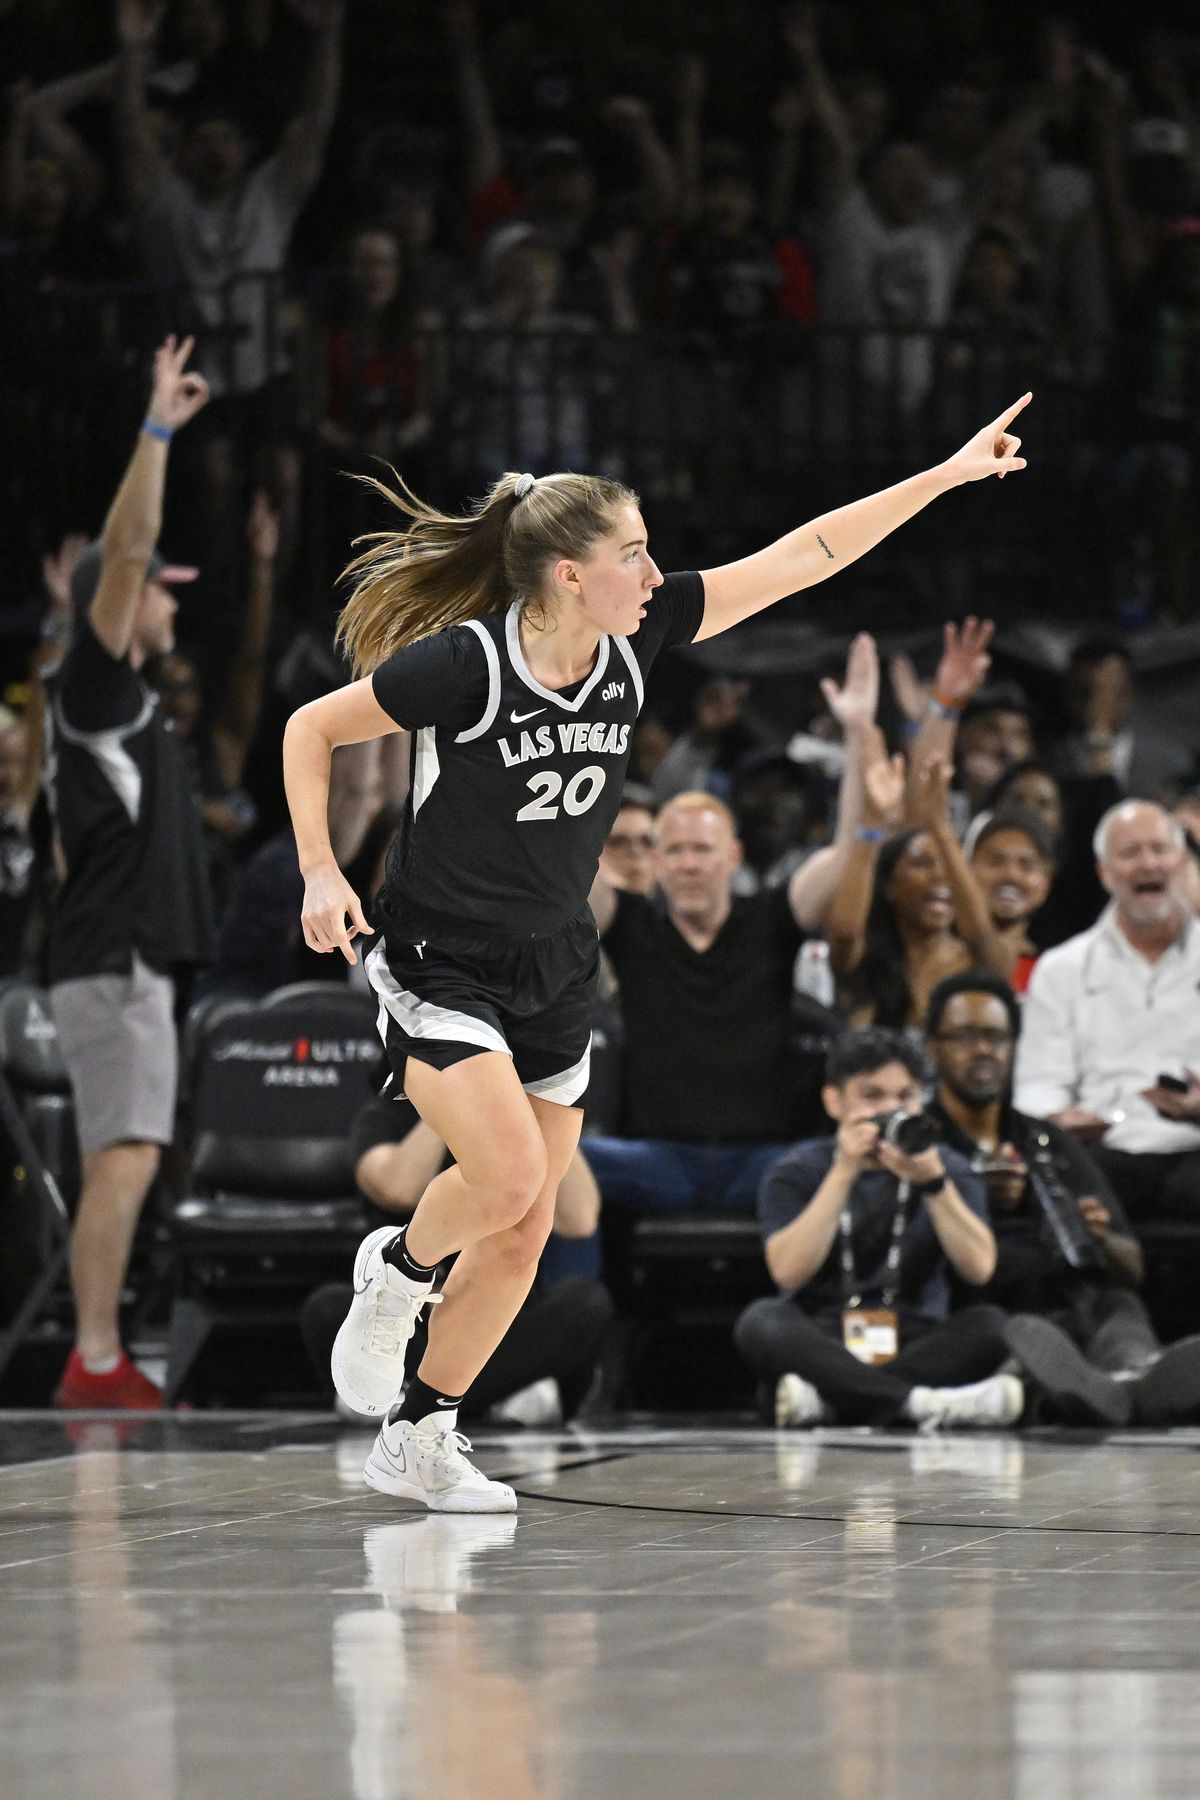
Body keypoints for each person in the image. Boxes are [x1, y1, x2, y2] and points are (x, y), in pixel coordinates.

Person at [282, 392, 1031, 1512]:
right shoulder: (466, 666)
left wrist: (944, 476)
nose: (655, 568)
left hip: (555, 964)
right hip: (442, 956)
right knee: (510, 1178)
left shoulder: (642, 638)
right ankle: (394, 1272)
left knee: (528, 1226)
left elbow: (803, 557)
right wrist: (321, 871)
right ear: (570, 575)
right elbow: (312, 729)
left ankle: (422, 1434)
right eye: (633, 552)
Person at [44, 334, 215, 1410]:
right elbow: (127, 548)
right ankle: (96, 1359)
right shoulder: (96, 685)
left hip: (128, 957)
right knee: (124, 1154)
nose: (170, 603)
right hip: (111, 958)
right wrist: (157, 428)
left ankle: (100, 1354)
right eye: (163, 592)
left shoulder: (140, 708)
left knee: (134, 1152)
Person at [580, 636, 884, 1221]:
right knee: (559, 1168)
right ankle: (574, 1312)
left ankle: (822, 1314)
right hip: (653, 1158)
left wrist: (858, 735)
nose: (689, 863)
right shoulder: (631, 921)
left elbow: (847, 852)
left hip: (763, 1162)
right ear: (659, 861)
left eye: (703, 849)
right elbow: (566, 860)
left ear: (732, 856)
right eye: (676, 851)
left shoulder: (774, 916)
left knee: (844, 1167)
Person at [925, 970, 1200, 1427]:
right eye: (965, 1037)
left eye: (996, 1037)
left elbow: (1131, 1265)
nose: (983, 1051)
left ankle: (1131, 1379)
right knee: (1016, 1333)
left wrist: (1101, 1238)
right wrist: (973, 1198)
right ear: (932, 1046)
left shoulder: (1047, 1140)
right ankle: (1103, 1394)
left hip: (1075, 1301)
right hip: (988, 1310)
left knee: (1119, 1308)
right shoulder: (923, 1144)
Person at [733, 1028, 1018, 1430]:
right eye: (873, 1096)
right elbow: (787, 1272)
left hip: (914, 1335)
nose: (891, 1110)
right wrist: (843, 1172)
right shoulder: (797, 1170)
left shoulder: (947, 1167)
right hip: (827, 1337)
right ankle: (920, 1405)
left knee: (993, 1325)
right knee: (761, 1321)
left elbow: (980, 1268)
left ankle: (834, 1403)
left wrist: (933, 1185)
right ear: (833, 1101)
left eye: (905, 1097)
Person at [300, 1093, 612, 1428]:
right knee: (327, 1308)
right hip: (410, 1324)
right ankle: (489, 1396)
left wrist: (540, 1105)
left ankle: (420, 1404)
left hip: (502, 1325)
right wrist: (455, 1095)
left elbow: (580, 1219)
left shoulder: (521, 1120)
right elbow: (398, 1189)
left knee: (586, 1302)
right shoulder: (384, 1116)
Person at [1015, 800, 1200, 1222]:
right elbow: (1038, 1086)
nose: (1147, 863)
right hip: (1106, 1153)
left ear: (1181, 862)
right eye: (1130, 853)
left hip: (1195, 1147)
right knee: (1055, 1188)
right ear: (1104, 873)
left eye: (1159, 849)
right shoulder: (1061, 969)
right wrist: (1059, 1117)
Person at [964, 807, 1054, 992]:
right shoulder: (942, 959)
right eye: (995, 861)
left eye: (1026, 865)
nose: (1011, 875)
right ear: (967, 871)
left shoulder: (1055, 973)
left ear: (1045, 885)